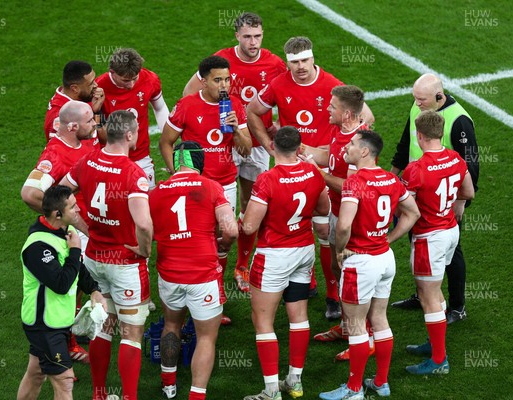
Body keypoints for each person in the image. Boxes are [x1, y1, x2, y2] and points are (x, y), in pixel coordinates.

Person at [247, 36, 374, 319]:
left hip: (323, 166)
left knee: (324, 230)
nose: (300, 67)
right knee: (291, 221)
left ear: (313, 57)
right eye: (294, 62)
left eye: (305, 60)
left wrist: (339, 146)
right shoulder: (279, 83)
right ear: (288, 62)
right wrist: (269, 144)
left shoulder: (332, 85)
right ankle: (308, 282)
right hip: (291, 165)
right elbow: (252, 111)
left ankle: (333, 295)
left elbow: (367, 116)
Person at [182, 12, 286, 293]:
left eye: (258, 36)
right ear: (237, 36)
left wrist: (278, 123)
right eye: (248, 36)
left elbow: (285, 94)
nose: (253, 42)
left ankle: (241, 265)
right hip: (219, 145)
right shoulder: (221, 60)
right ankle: (209, 264)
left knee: (251, 204)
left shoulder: (274, 63)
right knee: (215, 208)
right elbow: (189, 94)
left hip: (254, 143)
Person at [319, 130, 420, 400]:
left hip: (360, 262)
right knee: (379, 319)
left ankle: (353, 390)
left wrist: (339, 251)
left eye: (352, 144)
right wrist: (388, 238)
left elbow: (343, 225)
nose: (348, 146)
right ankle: (381, 382)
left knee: (355, 325)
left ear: (364, 151)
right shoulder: (391, 179)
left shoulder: (355, 183)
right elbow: (413, 213)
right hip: (385, 259)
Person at [59, 110, 153, 400]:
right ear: (128, 135)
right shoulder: (133, 173)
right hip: (125, 262)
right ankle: (128, 397)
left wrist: (81, 224)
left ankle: (99, 393)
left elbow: (60, 192)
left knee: (103, 326)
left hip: (94, 258)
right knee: (131, 333)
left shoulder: (87, 160)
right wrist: (145, 249)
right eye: (136, 130)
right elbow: (143, 223)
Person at [160, 55, 252, 324]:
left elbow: (246, 149)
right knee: (198, 239)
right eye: (217, 80)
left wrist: (236, 129)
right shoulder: (187, 106)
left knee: (226, 236)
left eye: (227, 79)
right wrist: (178, 174)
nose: (224, 85)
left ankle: (216, 290)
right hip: (196, 187)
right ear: (203, 81)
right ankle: (196, 296)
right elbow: (166, 142)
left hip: (224, 183)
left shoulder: (234, 105)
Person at [241, 126, 330, 400]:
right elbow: (324, 209)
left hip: (274, 256)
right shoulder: (313, 172)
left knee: (263, 321)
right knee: (298, 317)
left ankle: (271, 392)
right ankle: (294, 381)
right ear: (299, 147)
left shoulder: (267, 179)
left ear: (272, 147)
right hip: (303, 251)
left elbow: (249, 227)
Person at [149, 141, 238, 400]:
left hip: (169, 273)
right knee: (206, 338)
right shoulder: (211, 187)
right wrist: (223, 245)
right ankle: (196, 395)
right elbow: (231, 229)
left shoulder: (156, 192)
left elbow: (144, 228)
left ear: (175, 162)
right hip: (203, 275)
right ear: (199, 161)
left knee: (171, 325)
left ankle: (168, 383)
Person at [390, 73, 479, 324]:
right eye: (415, 99)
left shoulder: (459, 120)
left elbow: (470, 163)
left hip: (446, 200)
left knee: (452, 252)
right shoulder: (420, 107)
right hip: (418, 191)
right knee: (418, 242)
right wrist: (391, 177)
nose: (417, 104)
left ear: (439, 96)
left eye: (422, 99)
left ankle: (458, 307)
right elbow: (405, 142)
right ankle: (425, 295)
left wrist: (460, 203)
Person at [301, 86, 374, 361]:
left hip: (351, 215)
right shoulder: (338, 131)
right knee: (336, 267)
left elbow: (350, 186)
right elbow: (328, 156)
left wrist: (317, 174)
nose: (326, 109)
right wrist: (302, 149)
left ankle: (363, 335)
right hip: (336, 209)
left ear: (346, 114)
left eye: (331, 106)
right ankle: (346, 327)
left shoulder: (359, 144)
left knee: (352, 275)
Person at [22, 100, 98, 363]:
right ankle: (68, 343)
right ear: (74, 126)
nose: (95, 124)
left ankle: (77, 333)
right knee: (71, 285)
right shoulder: (54, 156)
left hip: (92, 225)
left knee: (87, 283)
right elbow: (30, 194)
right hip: (78, 231)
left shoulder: (85, 140)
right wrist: (67, 221)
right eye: (90, 121)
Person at [400, 111, 474, 375]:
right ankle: (435, 345)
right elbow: (468, 192)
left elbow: (406, 210)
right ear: (440, 133)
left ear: (419, 136)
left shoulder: (416, 169)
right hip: (450, 232)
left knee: (427, 296)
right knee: (436, 292)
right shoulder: (455, 158)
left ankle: (439, 361)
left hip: (428, 238)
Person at [17, 185, 106, 400]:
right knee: (65, 382)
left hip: (56, 322)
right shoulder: (38, 247)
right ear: (58, 214)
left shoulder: (64, 232)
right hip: (44, 325)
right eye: (73, 207)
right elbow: (60, 283)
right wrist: (75, 250)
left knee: (36, 373)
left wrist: (93, 290)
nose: (79, 211)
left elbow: (78, 268)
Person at [96, 48, 169, 189]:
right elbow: (95, 127)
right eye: (125, 80)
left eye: (134, 79)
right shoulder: (98, 88)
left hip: (141, 156)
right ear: (112, 72)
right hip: (111, 158)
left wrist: (167, 139)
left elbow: (159, 108)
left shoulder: (150, 79)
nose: (131, 85)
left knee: (147, 201)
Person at [44, 60, 105, 141]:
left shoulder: (82, 98)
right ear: (74, 88)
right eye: (91, 83)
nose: (96, 85)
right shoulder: (61, 118)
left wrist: (97, 112)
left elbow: (103, 139)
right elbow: (63, 152)